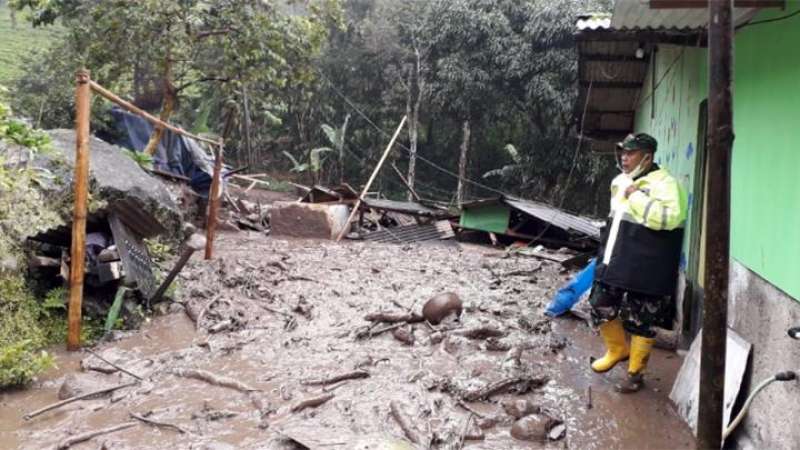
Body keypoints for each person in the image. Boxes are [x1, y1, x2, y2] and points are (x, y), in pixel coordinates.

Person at [588, 133, 687, 393]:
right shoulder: (619, 181)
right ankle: (618, 349)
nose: (624, 157)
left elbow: (672, 219)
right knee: (600, 304)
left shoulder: (666, 183)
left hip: (647, 264)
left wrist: (636, 196)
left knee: (641, 319)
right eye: (622, 152)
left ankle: (635, 374)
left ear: (647, 156)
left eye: (630, 153)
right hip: (615, 258)